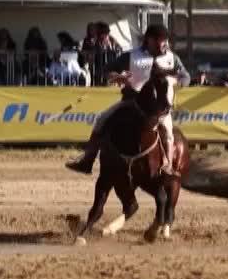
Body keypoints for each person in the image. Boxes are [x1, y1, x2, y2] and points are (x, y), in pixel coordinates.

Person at [65, 24, 190, 176]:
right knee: (101, 120)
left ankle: (168, 166)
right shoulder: (131, 56)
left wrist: (175, 81)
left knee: (168, 132)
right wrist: (116, 76)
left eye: (164, 41)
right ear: (148, 40)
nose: (162, 44)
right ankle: (87, 160)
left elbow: (186, 76)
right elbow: (106, 70)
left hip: (159, 109)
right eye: (159, 40)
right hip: (132, 102)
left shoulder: (172, 58)